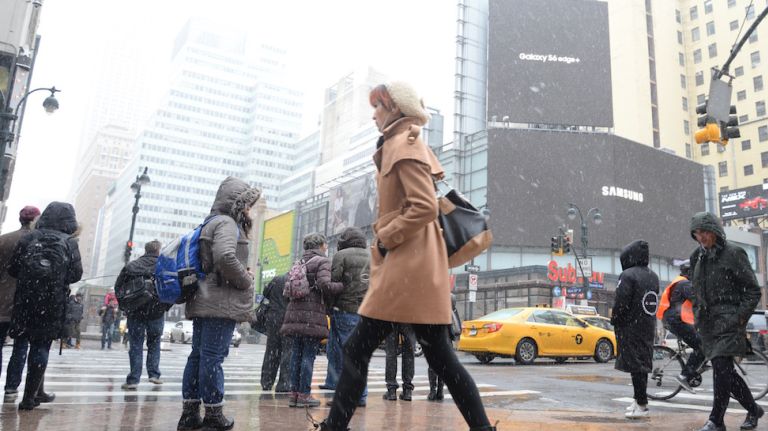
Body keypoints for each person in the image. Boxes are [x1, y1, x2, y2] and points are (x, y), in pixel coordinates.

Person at [315, 82, 494, 431]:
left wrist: (385, 237)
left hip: (407, 267)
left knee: (359, 349)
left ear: (395, 108)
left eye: (378, 106)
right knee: (439, 358)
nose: (374, 114)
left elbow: (424, 207)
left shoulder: (404, 145)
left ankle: (335, 427)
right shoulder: (400, 143)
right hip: (412, 266)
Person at [176, 176, 260, 431]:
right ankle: (213, 415)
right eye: (247, 205)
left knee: (199, 356)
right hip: (219, 303)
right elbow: (224, 256)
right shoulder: (227, 223)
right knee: (212, 358)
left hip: (205, 298)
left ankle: (190, 414)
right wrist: (245, 279)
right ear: (237, 204)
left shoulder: (211, 222)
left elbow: (215, 259)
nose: (249, 210)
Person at [689, 212, 763, 431]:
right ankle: (753, 409)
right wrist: (697, 312)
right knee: (726, 373)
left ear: (715, 231)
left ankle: (716, 420)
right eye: (697, 233)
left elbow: (752, 291)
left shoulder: (733, 253)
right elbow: (696, 290)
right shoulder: (697, 257)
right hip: (708, 324)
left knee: (721, 367)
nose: (701, 237)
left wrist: (738, 317)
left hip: (729, 321)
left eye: (704, 231)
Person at [8, 202, 82, 410]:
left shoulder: (28, 238)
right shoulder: (69, 242)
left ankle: (12, 388)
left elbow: (12, 268)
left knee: (20, 345)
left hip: (25, 299)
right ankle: (30, 397)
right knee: (41, 347)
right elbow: (76, 274)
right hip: (52, 302)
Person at [280, 233, 342, 408]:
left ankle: (294, 393)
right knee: (308, 355)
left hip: (295, 313)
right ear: (321, 245)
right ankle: (305, 394)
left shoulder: (298, 262)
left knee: (296, 354)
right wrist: (341, 285)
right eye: (325, 244)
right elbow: (325, 284)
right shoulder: (323, 261)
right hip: (312, 314)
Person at [611, 239, 659, 419]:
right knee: (642, 365)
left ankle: (641, 405)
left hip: (630, 326)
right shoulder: (653, 276)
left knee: (635, 366)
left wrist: (615, 319)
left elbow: (621, 302)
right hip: (647, 325)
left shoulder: (628, 275)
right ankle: (639, 399)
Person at [323, 227, 370, 407]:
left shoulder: (341, 256)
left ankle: (342, 395)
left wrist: (329, 306)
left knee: (340, 354)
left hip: (344, 309)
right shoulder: (371, 257)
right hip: (365, 312)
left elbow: (333, 283)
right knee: (358, 354)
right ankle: (360, 394)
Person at [117, 240, 172, 390]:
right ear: (158, 251)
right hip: (156, 312)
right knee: (154, 343)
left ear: (146, 250)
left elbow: (119, 288)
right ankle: (154, 374)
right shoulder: (163, 266)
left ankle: (133, 379)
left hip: (135, 312)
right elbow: (172, 288)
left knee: (135, 344)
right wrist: (165, 306)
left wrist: (126, 307)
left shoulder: (132, 266)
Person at [0, 206, 40, 402]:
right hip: (25, 301)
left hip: (2, 300)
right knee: (21, 346)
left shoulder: (4, 239)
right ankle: (11, 388)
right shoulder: (37, 242)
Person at [657, 262, 705, 392]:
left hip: (675, 320)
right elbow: (699, 301)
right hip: (677, 321)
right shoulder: (685, 284)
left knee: (700, 343)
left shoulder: (680, 282)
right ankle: (684, 376)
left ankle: (693, 368)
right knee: (701, 347)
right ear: (690, 273)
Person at [260, 273, 291, 393]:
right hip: (288, 318)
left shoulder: (277, 278)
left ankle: (266, 382)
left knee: (271, 351)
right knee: (288, 351)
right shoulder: (297, 280)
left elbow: (265, 293)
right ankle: (283, 383)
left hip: (273, 318)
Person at [428, 293, 461, 401]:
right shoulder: (452, 313)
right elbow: (455, 332)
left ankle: (432, 391)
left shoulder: (434, 310)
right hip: (447, 344)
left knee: (433, 366)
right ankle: (440, 392)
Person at [382, 324, 416, 401]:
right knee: (409, 354)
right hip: (409, 318)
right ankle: (407, 390)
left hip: (391, 318)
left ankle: (392, 391)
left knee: (391, 353)